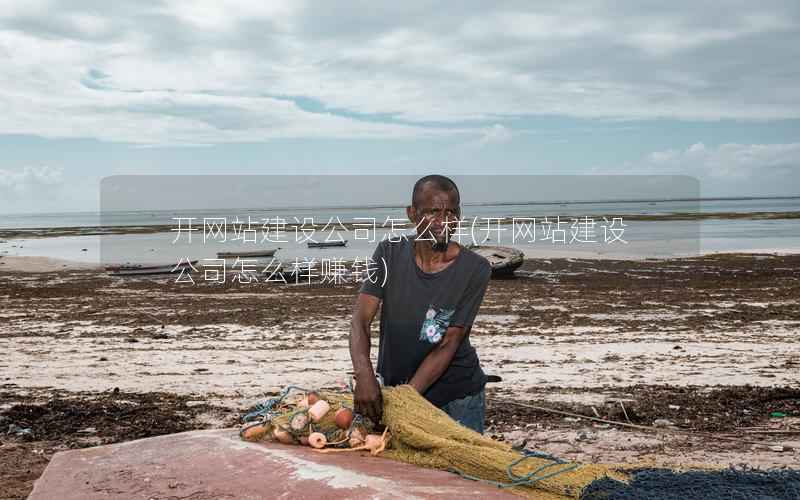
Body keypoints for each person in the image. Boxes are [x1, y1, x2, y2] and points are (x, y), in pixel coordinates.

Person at [349, 174, 492, 433]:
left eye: (452, 212)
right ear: (412, 214)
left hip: (456, 398)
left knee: (456, 474)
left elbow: (449, 342)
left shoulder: (476, 269)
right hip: (395, 389)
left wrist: (407, 400)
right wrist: (364, 374)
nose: (444, 222)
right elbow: (360, 320)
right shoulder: (388, 253)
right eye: (433, 213)